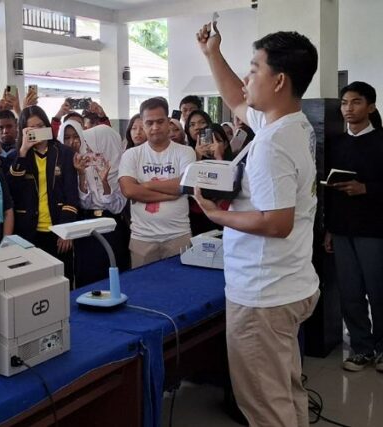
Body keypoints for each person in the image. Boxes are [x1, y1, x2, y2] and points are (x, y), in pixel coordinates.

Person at [195, 23, 320, 426]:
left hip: (263, 295)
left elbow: (277, 222)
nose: (247, 78)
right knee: (286, 390)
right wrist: (213, 53)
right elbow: (236, 100)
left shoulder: (271, 143)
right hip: (291, 283)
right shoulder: (291, 125)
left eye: (254, 69)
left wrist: (217, 216)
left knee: (265, 406)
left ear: (279, 80)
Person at [324, 81, 383, 372]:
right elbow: (330, 192)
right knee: (349, 292)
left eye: (356, 102)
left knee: (379, 290)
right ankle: (362, 348)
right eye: (345, 103)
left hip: (374, 230)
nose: (348, 108)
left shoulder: (381, 141)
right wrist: (330, 229)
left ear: (370, 107)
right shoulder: (336, 143)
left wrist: (367, 189)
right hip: (343, 229)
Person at [118, 97, 195, 268]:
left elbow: (186, 185)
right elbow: (129, 191)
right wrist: (174, 193)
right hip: (142, 237)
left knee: (181, 290)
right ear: (143, 124)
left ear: (168, 122)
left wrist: (145, 185)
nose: (155, 127)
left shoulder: (185, 152)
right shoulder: (131, 155)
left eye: (160, 121)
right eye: (149, 123)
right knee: (144, 290)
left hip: (178, 235)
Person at [8, 106, 79, 285]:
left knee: (63, 281)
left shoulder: (64, 153)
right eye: (32, 128)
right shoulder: (15, 156)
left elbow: (71, 194)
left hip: (57, 229)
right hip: (28, 231)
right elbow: (12, 191)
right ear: (23, 131)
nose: (38, 131)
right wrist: (23, 151)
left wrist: (66, 230)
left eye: (41, 126)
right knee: (32, 283)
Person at [61, 120, 129, 282]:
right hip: (87, 226)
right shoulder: (76, 164)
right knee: (88, 274)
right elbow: (83, 203)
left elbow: (116, 207)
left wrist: (105, 181)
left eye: (93, 145)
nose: (90, 150)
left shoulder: (120, 168)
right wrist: (82, 174)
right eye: (67, 137)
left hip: (112, 226)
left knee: (114, 272)